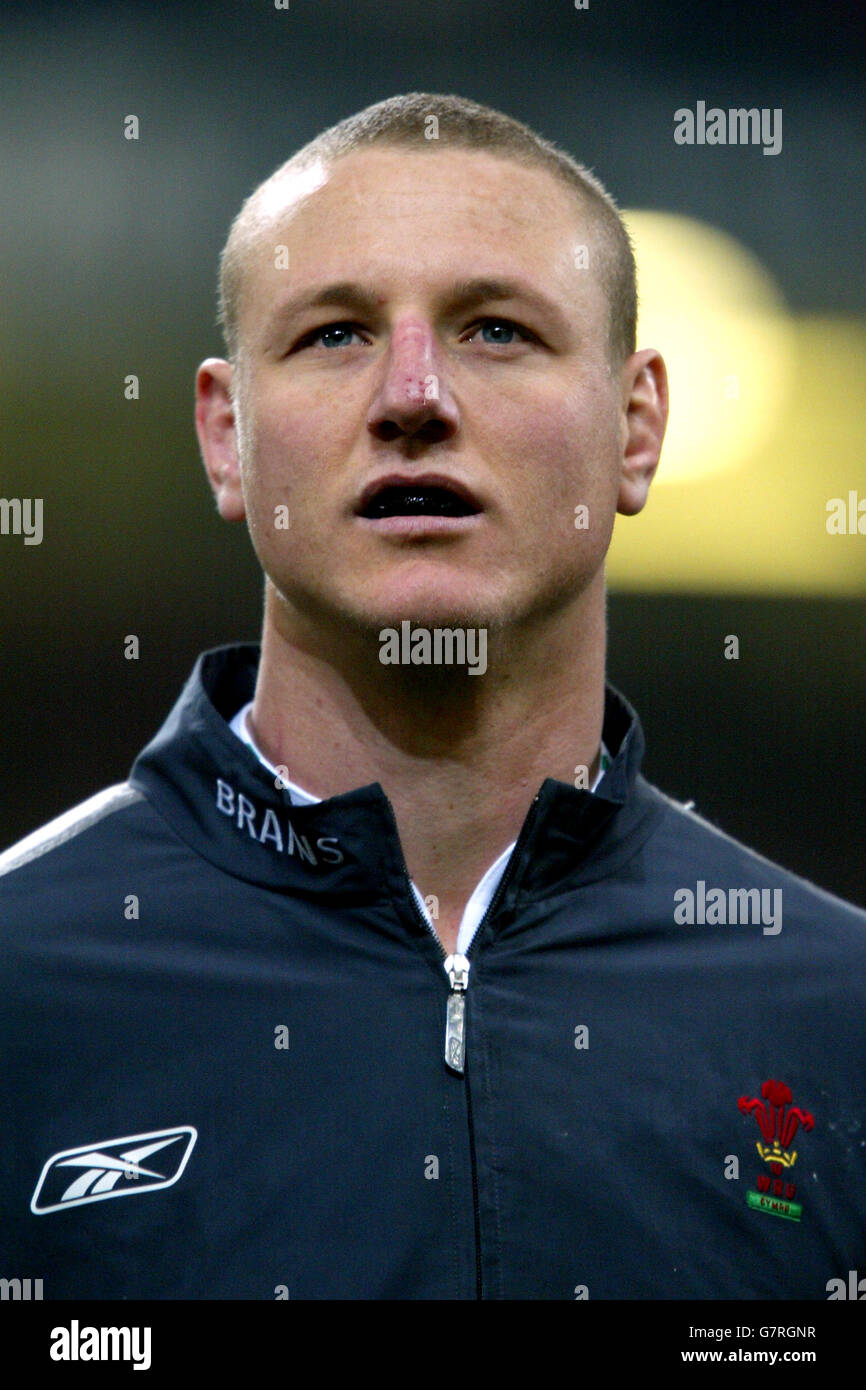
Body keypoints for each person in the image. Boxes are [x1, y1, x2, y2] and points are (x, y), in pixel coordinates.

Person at [1, 93, 864, 1301]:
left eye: (496, 330)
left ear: (635, 424)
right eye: (336, 335)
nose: (414, 395)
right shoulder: (22, 982)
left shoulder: (834, 1015)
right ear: (223, 436)